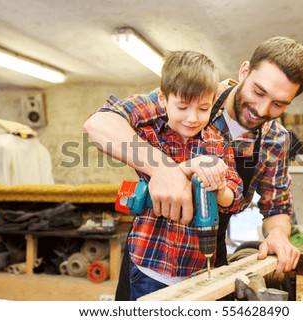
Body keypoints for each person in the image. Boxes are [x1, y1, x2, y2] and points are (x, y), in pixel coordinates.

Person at [84, 36, 303, 300]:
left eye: (279, 103)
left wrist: (278, 235)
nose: (262, 109)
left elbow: (277, 208)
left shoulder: (275, 139)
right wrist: (165, 170)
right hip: (150, 251)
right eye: (259, 92)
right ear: (244, 71)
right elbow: (100, 123)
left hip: (206, 252)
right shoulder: (195, 94)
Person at [90, 50, 244, 300]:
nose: (192, 118)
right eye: (182, 107)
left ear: (213, 101)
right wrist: (189, 167)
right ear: (162, 99)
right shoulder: (149, 136)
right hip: (150, 265)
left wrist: (220, 189)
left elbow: (236, 199)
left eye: (203, 108)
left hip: (197, 268)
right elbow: (102, 122)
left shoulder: (218, 144)